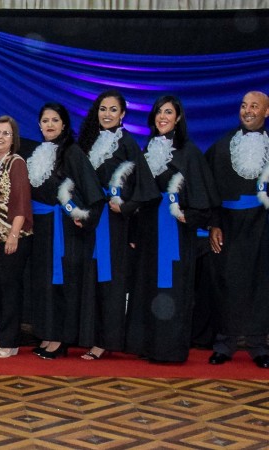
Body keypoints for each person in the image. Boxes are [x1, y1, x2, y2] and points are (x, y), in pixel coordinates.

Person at [125, 95, 218, 363]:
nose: (162, 117)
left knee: (172, 289)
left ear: (178, 118)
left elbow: (203, 197)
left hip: (175, 234)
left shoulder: (190, 153)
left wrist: (189, 215)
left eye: (168, 112)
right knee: (147, 286)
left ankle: (169, 349)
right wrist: (133, 233)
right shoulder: (147, 150)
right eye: (158, 112)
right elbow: (139, 195)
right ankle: (147, 345)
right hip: (147, 231)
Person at [75, 91, 160, 360]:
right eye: (103, 109)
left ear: (123, 114)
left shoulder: (128, 144)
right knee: (90, 281)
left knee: (110, 282)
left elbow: (147, 188)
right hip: (89, 221)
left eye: (113, 109)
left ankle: (105, 341)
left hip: (113, 225)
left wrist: (124, 207)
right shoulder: (89, 141)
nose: (107, 114)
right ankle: (88, 336)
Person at [22, 103, 104, 360]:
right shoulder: (37, 152)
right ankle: (47, 333)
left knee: (62, 283)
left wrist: (84, 219)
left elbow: (93, 192)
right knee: (44, 283)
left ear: (64, 125)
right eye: (44, 120)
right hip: (41, 228)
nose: (49, 125)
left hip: (63, 230)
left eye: (54, 120)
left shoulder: (72, 152)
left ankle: (60, 339)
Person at [205, 91, 269, 368]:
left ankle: (258, 345)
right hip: (229, 223)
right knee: (227, 283)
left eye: (254, 106)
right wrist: (214, 224)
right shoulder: (221, 146)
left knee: (261, 283)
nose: (248, 110)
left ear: (266, 112)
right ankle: (225, 343)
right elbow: (209, 189)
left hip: (264, 223)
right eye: (243, 105)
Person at [0, 115, 33, 359]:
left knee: (10, 290)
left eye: (6, 133)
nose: (0, 137)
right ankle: (1, 336)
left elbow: (21, 202)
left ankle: (10, 342)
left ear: (14, 139)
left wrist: (14, 234)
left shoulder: (16, 162)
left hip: (11, 237)